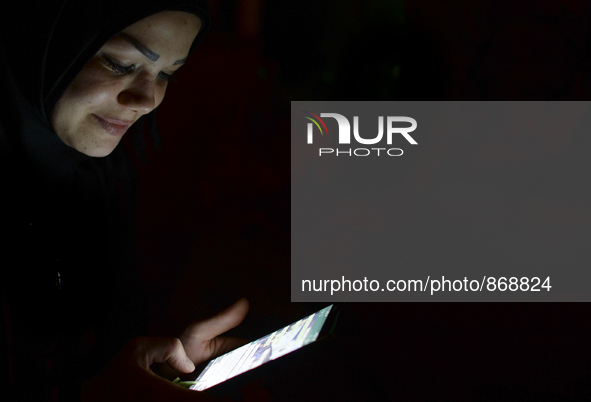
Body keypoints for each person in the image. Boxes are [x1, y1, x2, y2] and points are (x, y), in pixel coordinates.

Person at [0, 1, 259, 401]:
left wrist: (160, 367)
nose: (146, 99)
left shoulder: (99, 180)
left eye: (168, 74)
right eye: (119, 64)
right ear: (43, 45)